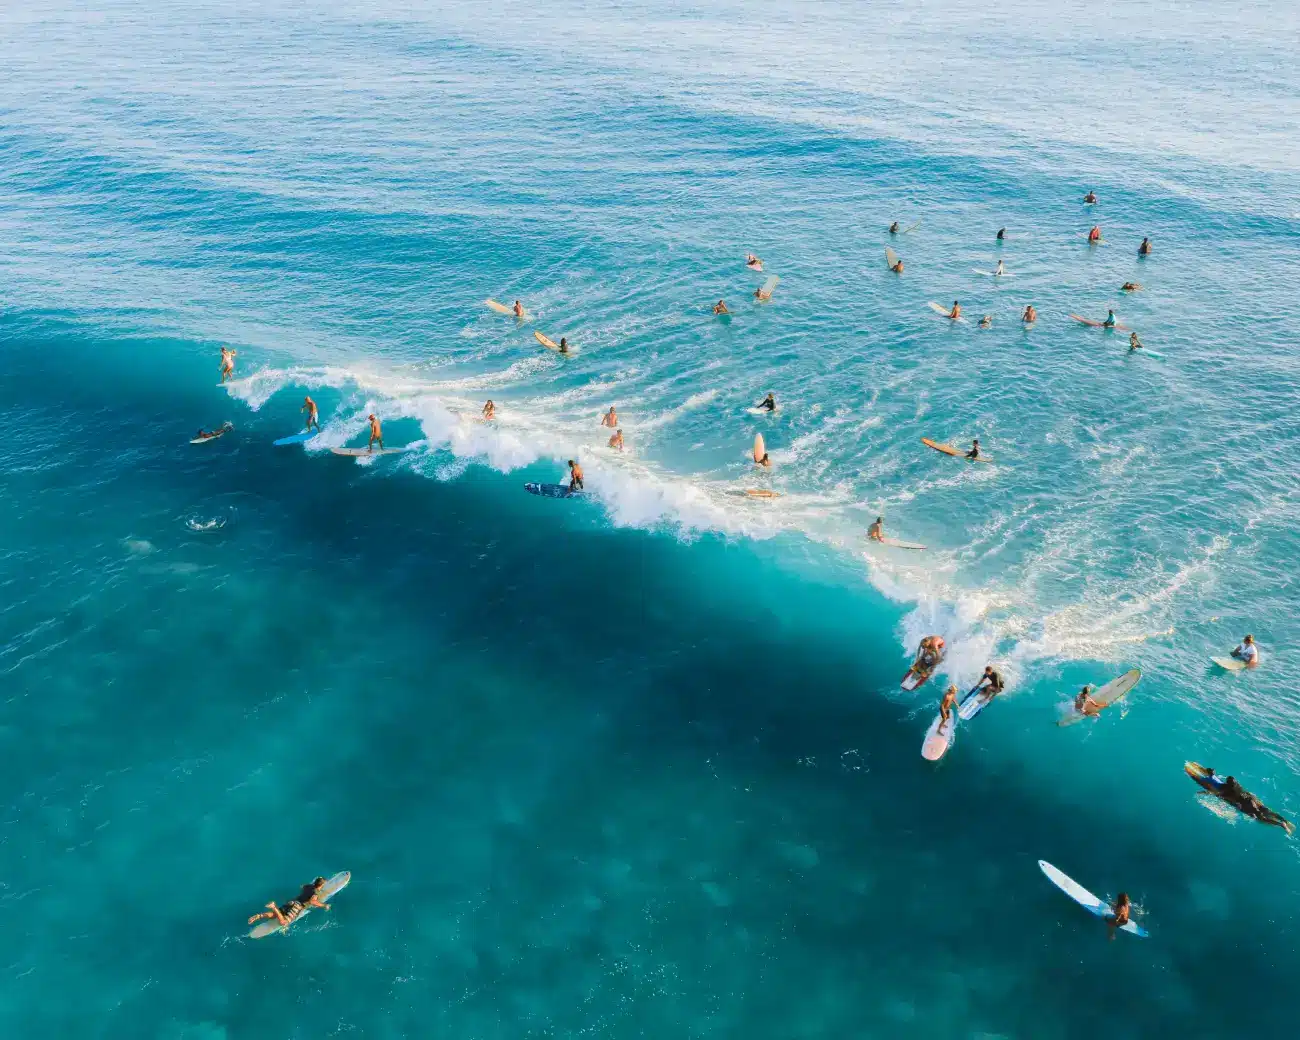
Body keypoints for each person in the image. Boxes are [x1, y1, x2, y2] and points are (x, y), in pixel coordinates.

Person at [248, 877, 331, 929]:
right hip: (297, 906)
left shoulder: (308, 886)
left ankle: (260, 916)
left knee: (277, 914)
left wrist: (307, 892)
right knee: (284, 923)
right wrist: (324, 905)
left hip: (292, 901)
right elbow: (312, 901)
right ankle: (273, 906)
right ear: (321, 885)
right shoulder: (315, 893)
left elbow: (302, 886)